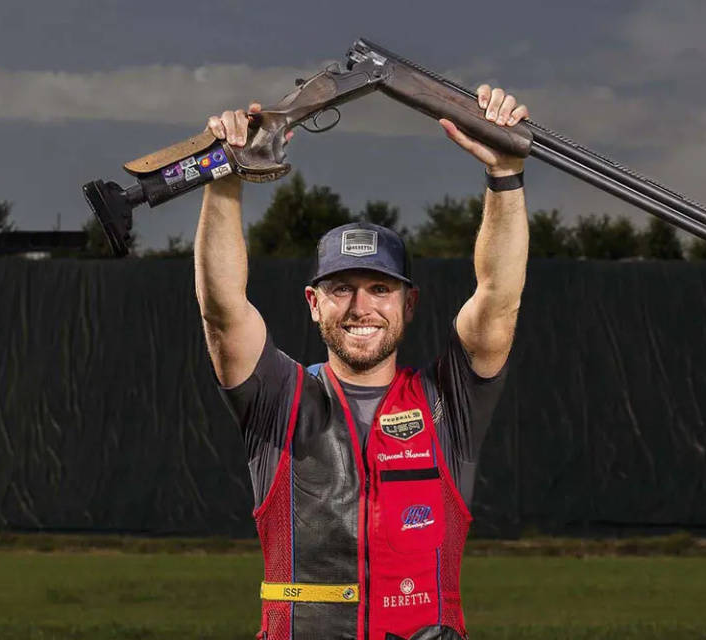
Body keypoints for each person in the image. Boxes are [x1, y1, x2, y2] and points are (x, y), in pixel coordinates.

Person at [195, 85, 530, 640]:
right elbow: (222, 310)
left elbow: (498, 298)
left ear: (407, 303)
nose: (361, 307)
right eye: (341, 289)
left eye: (380, 288)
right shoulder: (279, 398)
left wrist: (506, 175)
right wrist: (224, 174)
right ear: (314, 302)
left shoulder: (450, 402)